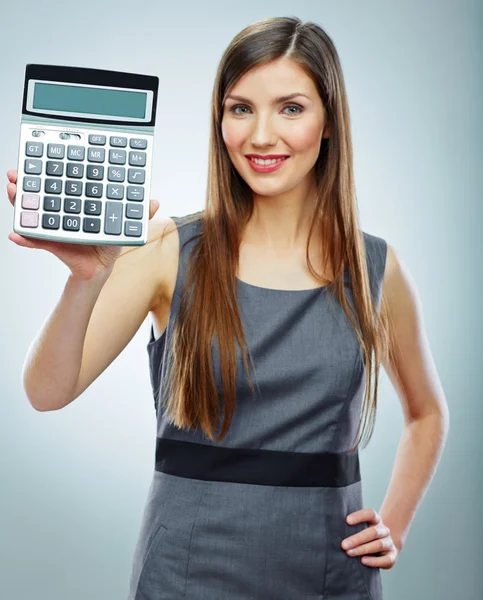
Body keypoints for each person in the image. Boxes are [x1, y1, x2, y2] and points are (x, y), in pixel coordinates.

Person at [7, 16, 449, 600]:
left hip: (328, 570)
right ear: (220, 122)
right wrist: (85, 279)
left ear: (329, 123)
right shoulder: (169, 248)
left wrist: (393, 523)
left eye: (290, 108)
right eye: (241, 109)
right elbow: (48, 392)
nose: (262, 136)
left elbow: (427, 414)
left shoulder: (374, 268)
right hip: (188, 569)